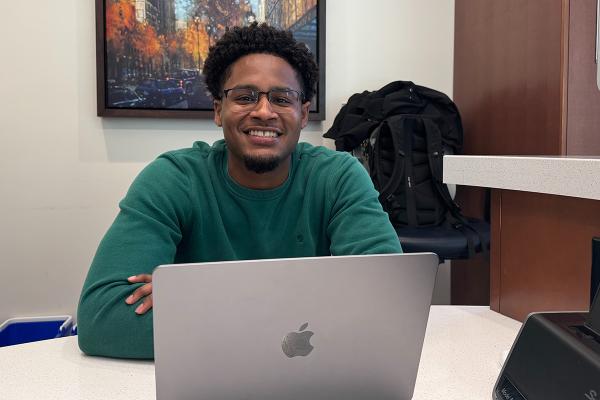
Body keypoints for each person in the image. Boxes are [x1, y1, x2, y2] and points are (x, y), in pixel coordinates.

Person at [77, 23, 402, 359]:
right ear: (218, 109)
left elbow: (389, 303)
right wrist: (309, 310)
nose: (263, 112)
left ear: (303, 113)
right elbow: (105, 320)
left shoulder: (338, 178)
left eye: (281, 98)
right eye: (245, 97)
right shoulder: (172, 179)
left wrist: (194, 299)